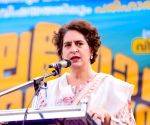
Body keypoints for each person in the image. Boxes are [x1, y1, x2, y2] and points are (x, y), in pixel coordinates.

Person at [32, 20, 136, 125]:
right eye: (68, 45)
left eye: (79, 43)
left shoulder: (113, 87)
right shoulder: (47, 91)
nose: (73, 49)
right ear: (61, 53)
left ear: (91, 50)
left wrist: (108, 121)